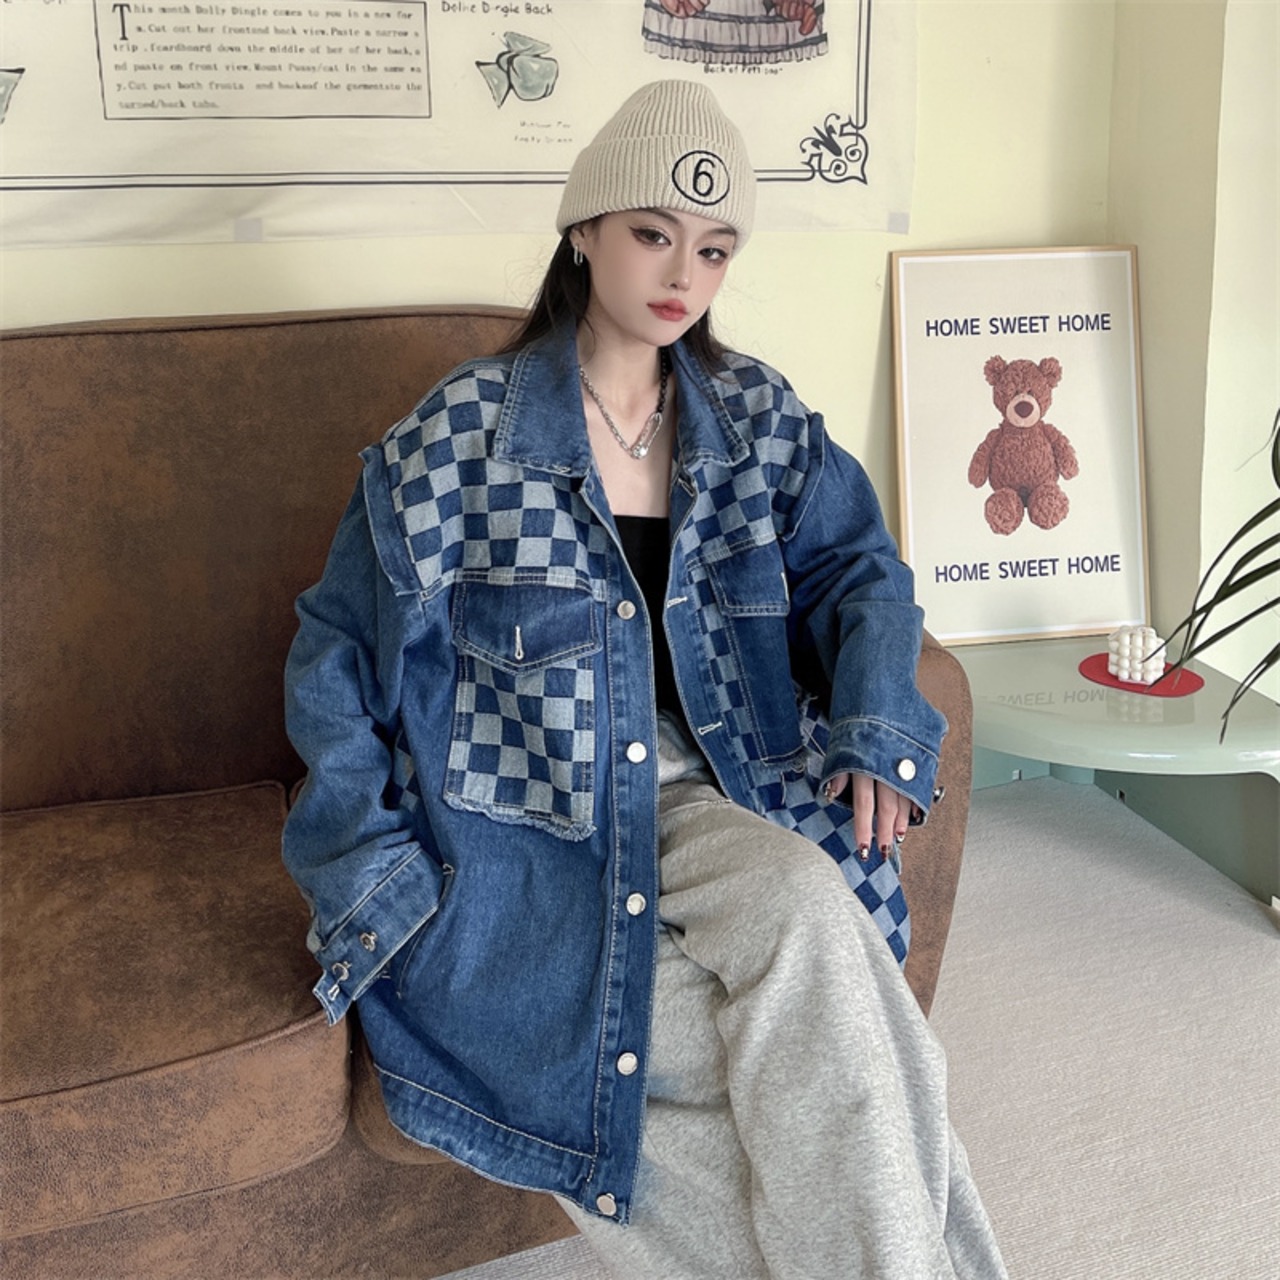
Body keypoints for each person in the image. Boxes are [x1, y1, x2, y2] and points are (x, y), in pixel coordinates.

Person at [283, 79, 1006, 1279]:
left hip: (721, 790)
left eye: (713, 249)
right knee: (829, 1065)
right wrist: (377, 876)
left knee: (811, 909)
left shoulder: (756, 419)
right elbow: (334, 655)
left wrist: (875, 718)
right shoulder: (458, 439)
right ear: (584, 231)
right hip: (528, 835)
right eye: (652, 233)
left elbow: (862, 572)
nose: (682, 273)